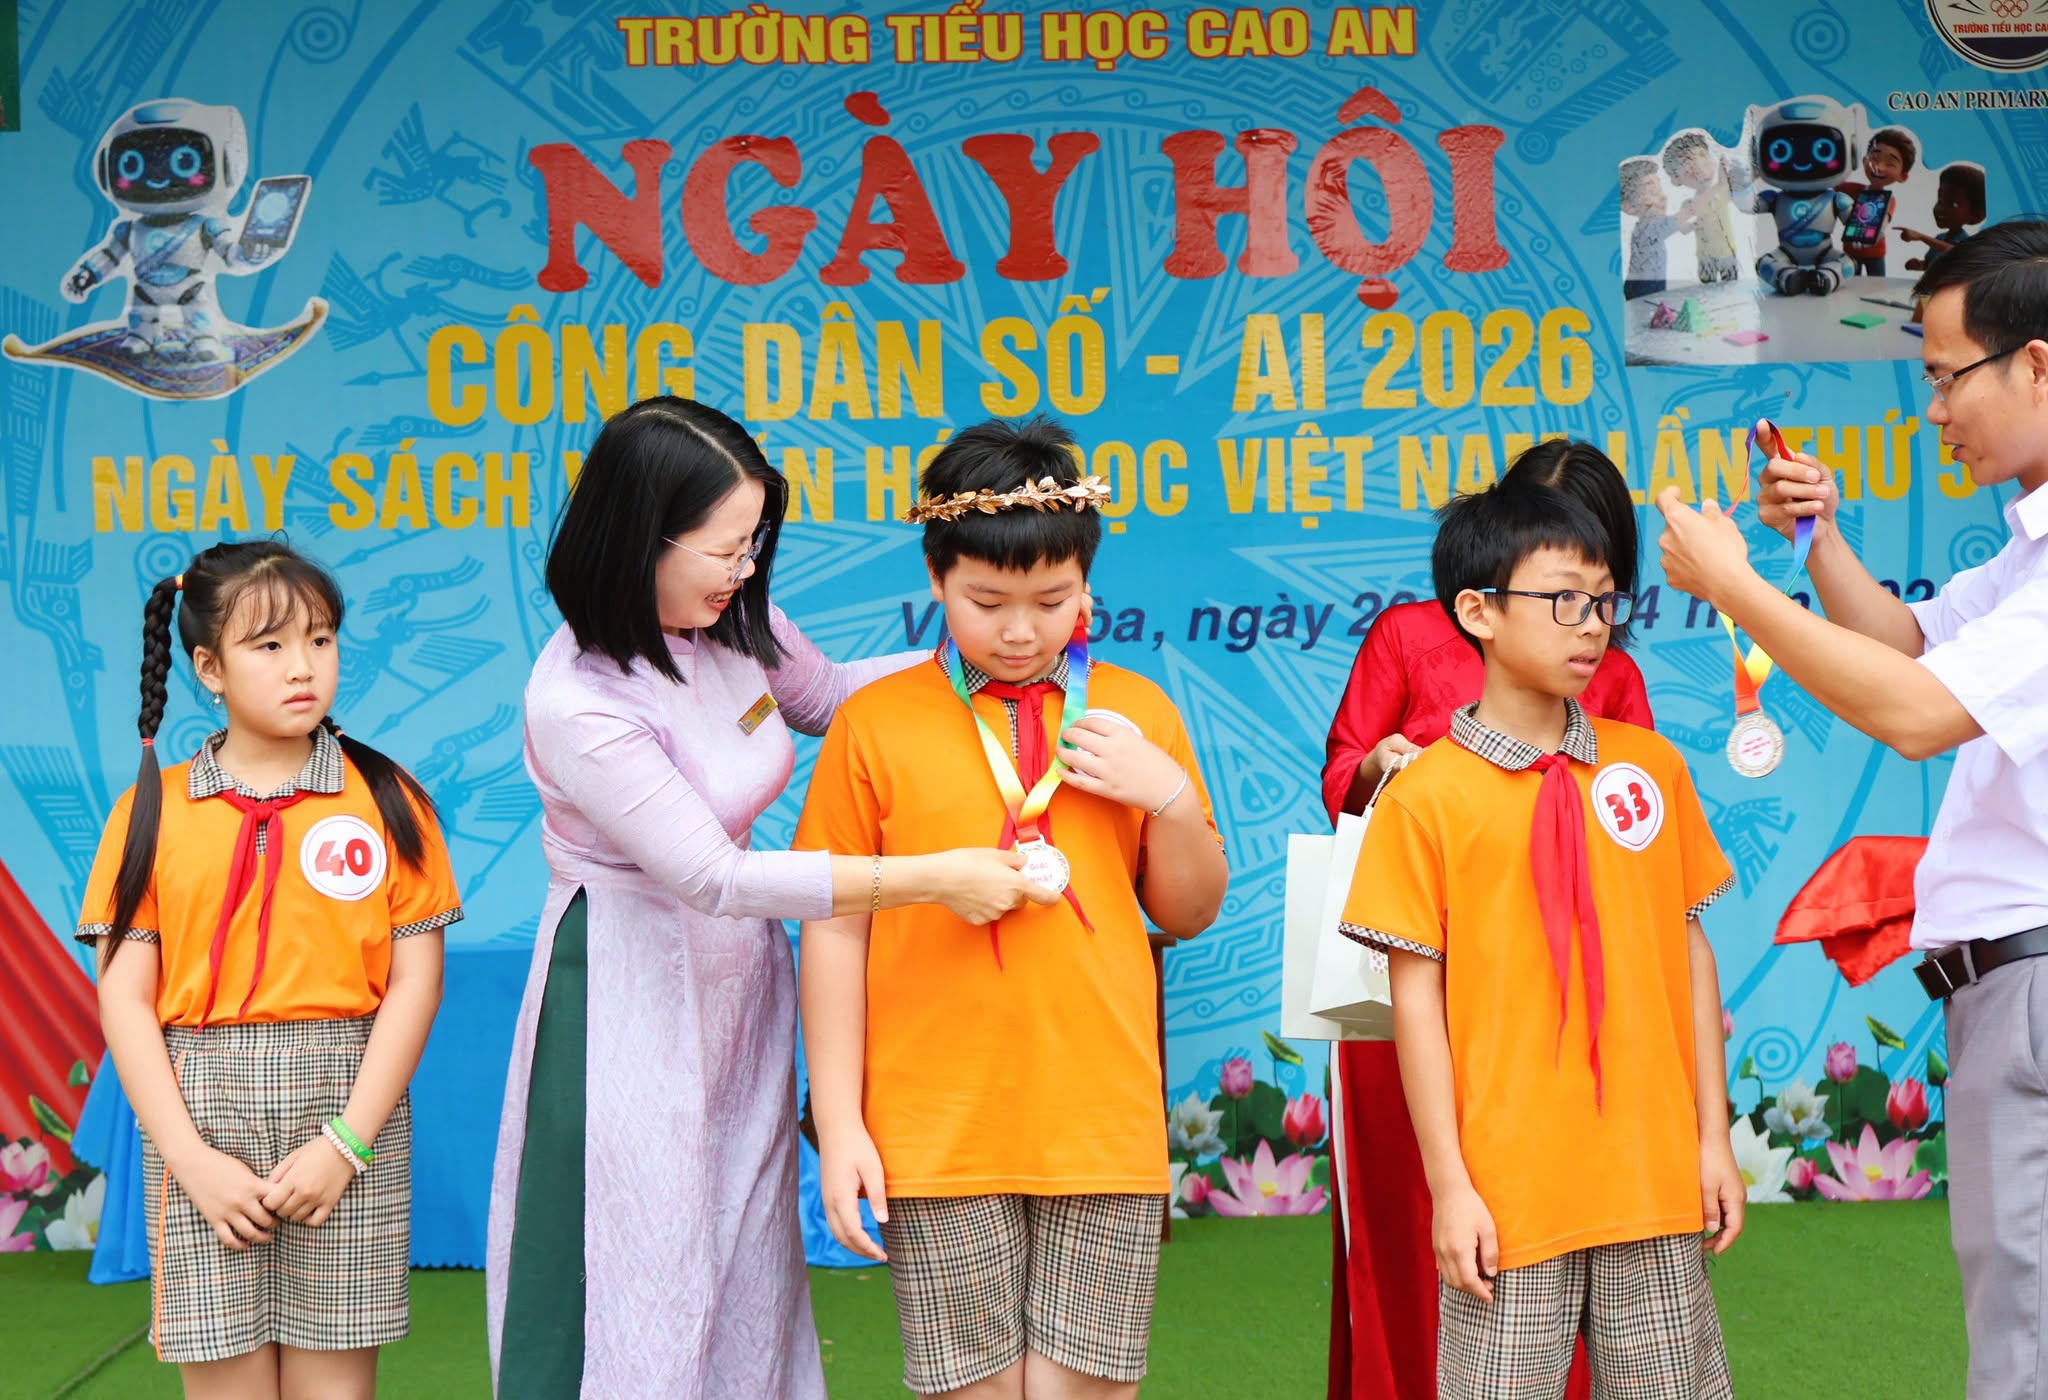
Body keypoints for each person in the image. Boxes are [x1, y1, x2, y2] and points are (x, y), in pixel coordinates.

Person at [484, 397, 1060, 1398]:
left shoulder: (732, 622)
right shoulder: (578, 697)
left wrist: (1000, 646)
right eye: (723, 549)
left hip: (741, 977)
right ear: (638, 538)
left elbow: (831, 697)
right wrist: (933, 876)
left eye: (753, 543)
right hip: (624, 984)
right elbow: (714, 876)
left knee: (746, 1232)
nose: (745, 569)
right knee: (638, 1244)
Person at [1660, 219, 2048, 1399]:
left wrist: (1734, 585)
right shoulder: (2024, 553)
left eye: (1945, 375)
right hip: (2005, 986)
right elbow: (1911, 643)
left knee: (2025, 1337)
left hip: (2033, 984)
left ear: (2034, 364)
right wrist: (1812, 538)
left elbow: (1917, 712)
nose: (1934, 409)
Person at [796, 417, 1229, 1399]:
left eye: (1052, 600)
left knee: (1088, 1386)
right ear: (936, 578)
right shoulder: (874, 724)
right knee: (971, 1388)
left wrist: (1166, 795)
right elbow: (832, 925)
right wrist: (842, 1121)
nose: (1022, 631)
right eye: (987, 602)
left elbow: (1190, 911)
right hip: (933, 1119)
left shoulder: (1133, 713)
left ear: (1087, 587)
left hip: (1099, 1114)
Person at [1344, 478, 1742, 1398]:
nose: (1591, 626)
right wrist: (1451, 1186)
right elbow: (1415, 1001)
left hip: (1651, 1181)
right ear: (1477, 612)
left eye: (1604, 601)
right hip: (1508, 1195)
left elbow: (1690, 954)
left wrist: (1712, 1138)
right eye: (1564, 600)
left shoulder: (1650, 767)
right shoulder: (1425, 797)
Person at [78, 540, 459, 1397]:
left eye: (321, 640)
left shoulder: (388, 799)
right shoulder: (151, 811)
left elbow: (416, 983)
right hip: (198, 1120)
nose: (303, 667)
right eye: (271, 645)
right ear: (209, 667)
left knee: (335, 1388)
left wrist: (346, 1144)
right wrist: (190, 1160)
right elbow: (126, 1000)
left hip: (347, 1115)